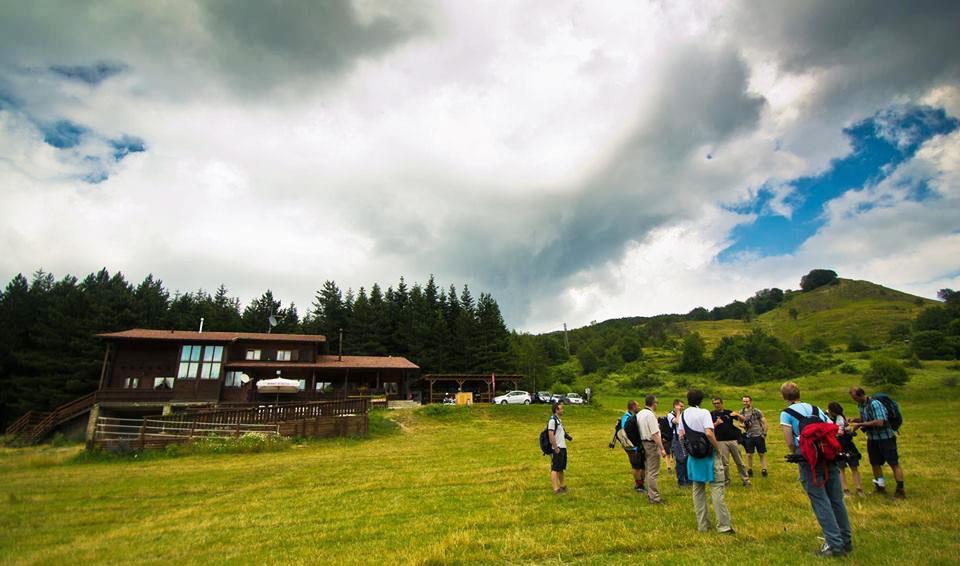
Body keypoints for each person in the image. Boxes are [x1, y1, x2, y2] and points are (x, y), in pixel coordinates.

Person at [779, 381, 852, 557]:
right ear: (799, 393)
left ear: (783, 396)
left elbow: (789, 441)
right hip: (829, 454)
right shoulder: (815, 409)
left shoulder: (786, 413)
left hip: (809, 458)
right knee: (836, 499)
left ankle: (834, 545)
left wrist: (796, 451)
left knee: (820, 499)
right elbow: (833, 429)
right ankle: (846, 540)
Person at [679, 389, 734, 534]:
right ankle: (724, 526)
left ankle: (703, 525)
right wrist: (719, 449)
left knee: (698, 490)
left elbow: (681, 434)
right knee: (717, 489)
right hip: (709, 454)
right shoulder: (704, 413)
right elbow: (709, 433)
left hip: (694, 455)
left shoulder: (683, 414)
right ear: (701, 400)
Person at [848, 387, 905, 498]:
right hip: (872, 439)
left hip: (886, 438)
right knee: (875, 464)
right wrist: (856, 420)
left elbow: (880, 422)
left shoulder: (875, 404)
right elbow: (868, 418)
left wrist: (861, 425)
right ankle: (880, 487)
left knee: (893, 463)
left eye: (855, 398)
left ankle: (900, 490)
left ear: (860, 395)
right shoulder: (861, 405)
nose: (854, 400)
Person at [711, 397, 751, 487]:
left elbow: (744, 420)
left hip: (733, 440)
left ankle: (746, 480)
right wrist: (717, 423)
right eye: (714, 404)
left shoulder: (728, 412)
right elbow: (708, 428)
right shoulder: (711, 414)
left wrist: (737, 414)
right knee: (724, 463)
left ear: (722, 403)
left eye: (718, 403)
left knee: (739, 461)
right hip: (720, 441)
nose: (716, 405)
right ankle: (726, 482)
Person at [827, 401, 864, 497]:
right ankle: (845, 489)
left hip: (847, 443)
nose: (837, 414)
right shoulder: (825, 417)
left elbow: (847, 427)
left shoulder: (841, 417)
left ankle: (859, 489)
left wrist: (848, 430)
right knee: (841, 467)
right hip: (836, 444)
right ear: (830, 411)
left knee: (854, 465)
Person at [637, 395, 668, 504]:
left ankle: (650, 494)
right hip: (651, 444)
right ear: (653, 403)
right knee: (653, 472)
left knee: (648, 469)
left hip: (642, 443)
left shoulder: (640, 413)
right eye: (657, 403)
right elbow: (655, 434)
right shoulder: (650, 415)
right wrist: (662, 448)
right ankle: (654, 498)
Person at [610, 400, 645, 492]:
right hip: (631, 445)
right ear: (633, 407)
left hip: (636, 444)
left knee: (641, 465)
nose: (639, 407)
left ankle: (641, 483)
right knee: (636, 466)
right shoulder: (627, 417)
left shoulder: (632, 416)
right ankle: (638, 485)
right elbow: (627, 433)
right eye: (637, 406)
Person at [739, 395, 768, 478]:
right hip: (748, 436)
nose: (745, 403)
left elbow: (764, 422)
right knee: (749, 454)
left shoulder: (756, 411)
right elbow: (739, 424)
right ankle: (750, 469)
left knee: (761, 453)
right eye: (744, 401)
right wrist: (744, 426)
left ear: (750, 402)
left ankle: (764, 469)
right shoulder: (741, 412)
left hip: (758, 435)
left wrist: (764, 434)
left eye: (747, 401)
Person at [547, 401, 572, 494]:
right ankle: (555, 489)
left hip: (562, 447)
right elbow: (550, 434)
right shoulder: (552, 420)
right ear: (556, 410)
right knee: (555, 468)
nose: (563, 410)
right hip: (557, 448)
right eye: (561, 408)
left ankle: (562, 486)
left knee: (561, 468)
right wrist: (555, 447)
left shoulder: (558, 420)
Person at [668, 399, 690, 487]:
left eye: (683, 406)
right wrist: (677, 412)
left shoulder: (684, 414)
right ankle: (681, 481)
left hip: (685, 437)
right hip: (676, 438)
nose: (682, 408)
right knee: (680, 460)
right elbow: (677, 422)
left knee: (687, 459)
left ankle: (688, 479)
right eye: (680, 406)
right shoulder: (670, 415)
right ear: (675, 406)